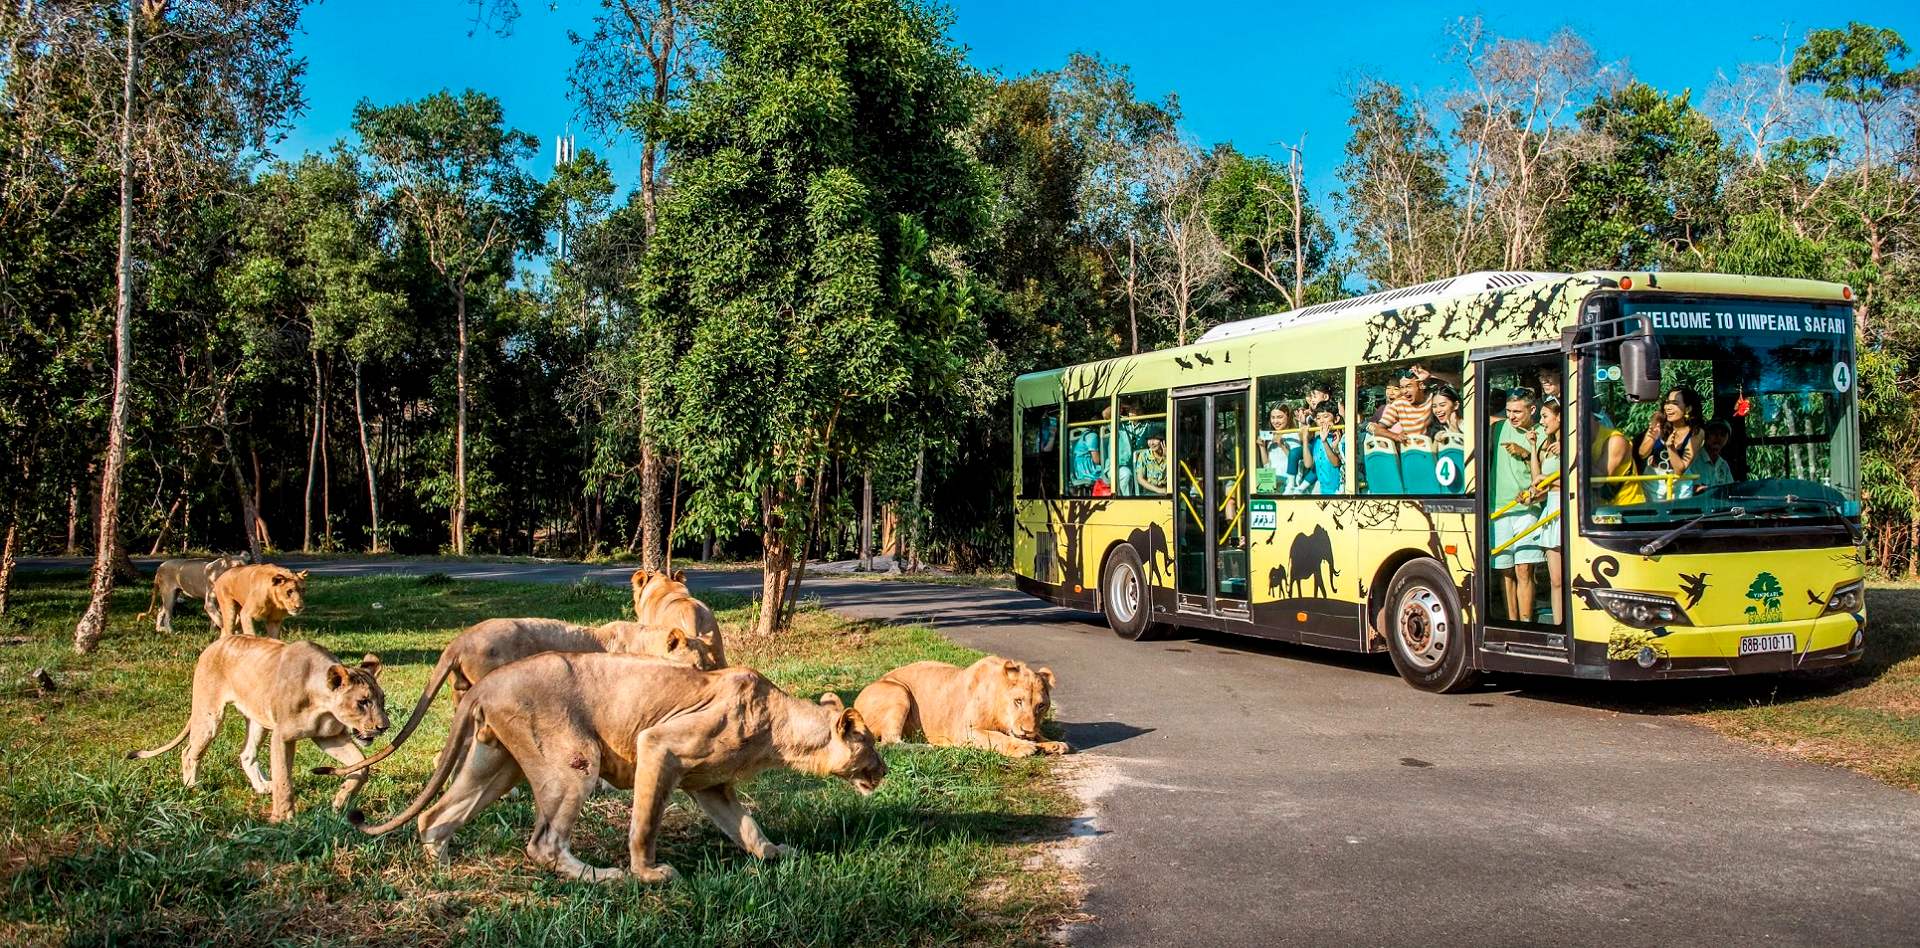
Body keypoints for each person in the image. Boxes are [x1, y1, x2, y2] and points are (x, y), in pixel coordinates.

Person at [1491, 388, 1544, 623]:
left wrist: (1525, 453)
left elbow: (1549, 468)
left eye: (1517, 412)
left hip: (1528, 509)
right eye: (1508, 411)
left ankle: (1526, 621)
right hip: (1499, 508)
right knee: (1505, 570)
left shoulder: (1542, 432)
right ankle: (1512, 622)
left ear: (1532, 410)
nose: (1511, 417)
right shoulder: (1498, 428)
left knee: (1524, 569)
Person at [1525, 397, 1564, 623]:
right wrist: (1532, 446)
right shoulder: (1548, 447)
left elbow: (1572, 480)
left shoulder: (1570, 443)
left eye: (1545, 416)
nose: (1541, 421)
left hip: (1565, 505)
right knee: (1555, 579)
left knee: (1568, 577)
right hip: (1551, 507)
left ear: (1560, 417)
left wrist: (1547, 480)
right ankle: (1559, 624)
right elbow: (1537, 479)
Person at [1639, 386, 1702, 501]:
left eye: (1674, 403)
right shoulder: (1659, 421)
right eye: (1667, 402)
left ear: (1687, 408)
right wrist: (1652, 439)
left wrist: (1670, 447)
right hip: (1654, 481)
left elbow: (1680, 470)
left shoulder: (1696, 432)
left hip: (1680, 484)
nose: (1667, 407)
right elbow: (1642, 453)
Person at [1588, 410, 1646, 507]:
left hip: (1628, 508)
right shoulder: (1581, 439)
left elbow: (1598, 480)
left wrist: (1576, 454)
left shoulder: (1615, 440)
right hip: (1602, 510)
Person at [1259, 404, 1310, 495]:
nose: (1275, 421)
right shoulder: (1271, 437)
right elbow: (1267, 465)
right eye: (1273, 417)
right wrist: (1262, 447)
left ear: (1288, 416)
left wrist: (1282, 446)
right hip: (1269, 479)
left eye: (1280, 417)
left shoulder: (1295, 435)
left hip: (1287, 481)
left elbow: (1297, 461)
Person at [1428, 385, 1467, 494]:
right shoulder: (1437, 429)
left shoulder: (1467, 425)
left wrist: (1453, 428)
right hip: (1447, 485)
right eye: (1434, 406)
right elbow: (1432, 459)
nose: (1437, 410)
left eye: (1442, 405)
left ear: (1455, 405)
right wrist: (1436, 441)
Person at [1305, 404, 1345, 495]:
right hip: (1323, 491)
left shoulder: (1340, 438)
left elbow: (1335, 463)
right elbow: (1308, 464)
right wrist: (1305, 439)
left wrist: (1325, 441)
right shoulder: (1316, 440)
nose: (1322, 421)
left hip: (1338, 491)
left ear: (1336, 419)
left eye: (1325, 417)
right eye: (1318, 418)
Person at [1693, 419, 1734, 492]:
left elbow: (1731, 490)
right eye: (1714, 433)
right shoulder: (1693, 460)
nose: (1718, 437)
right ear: (1705, 435)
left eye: (1723, 434)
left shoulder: (1724, 465)